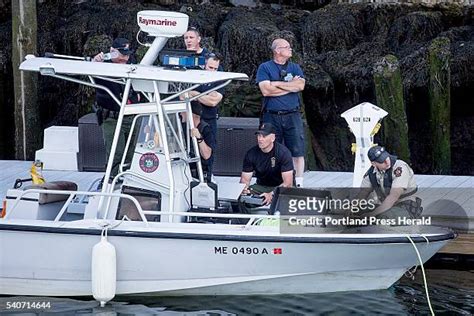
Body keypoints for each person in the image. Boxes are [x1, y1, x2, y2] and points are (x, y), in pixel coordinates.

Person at [256, 38, 306, 187]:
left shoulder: (295, 67)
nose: (290, 49)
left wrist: (276, 84)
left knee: (297, 149)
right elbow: (266, 90)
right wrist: (290, 86)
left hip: (293, 115)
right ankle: (273, 180)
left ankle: (299, 183)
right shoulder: (265, 68)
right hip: (272, 116)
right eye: (287, 47)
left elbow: (300, 86)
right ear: (277, 50)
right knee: (270, 149)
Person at [92, 37, 140, 177]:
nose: (125, 58)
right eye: (121, 54)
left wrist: (136, 98)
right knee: (116, 154)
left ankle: (129, 181)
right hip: (112, 117)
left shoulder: (131, 65)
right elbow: (92, 73)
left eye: (127, 54)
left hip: (131, 116)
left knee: (132, 153)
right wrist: (95, 63)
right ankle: (112, 179)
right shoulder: (102, 66)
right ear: (112, 51)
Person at [359, 146, 422, 219]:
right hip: (386, 205)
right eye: (381, 161)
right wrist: (352, 208)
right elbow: (362, 193)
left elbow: (393, 196)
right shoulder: (371, 173)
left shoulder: (400, 167)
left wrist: (372, 214)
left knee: (383, 217)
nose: (387, 161)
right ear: (373, 164)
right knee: (359, 211)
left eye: (386, 157)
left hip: (406, 206)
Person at [240, 123, 294, 206]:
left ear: (272, 138)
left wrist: (271, 194)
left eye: (264, 136)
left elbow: (288, 183)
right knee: (241, 200)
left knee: (287, 201)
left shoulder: (283, 153)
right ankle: (246, 218)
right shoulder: (251, 154)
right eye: (258, 136)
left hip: (281, 187)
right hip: (261, 186)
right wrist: (244, 190)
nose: (260, 139)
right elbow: (245, 181)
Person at [188, 102, 216, 182]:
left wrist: (199, 138)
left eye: (183, 112)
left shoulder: (206, 129)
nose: (181, 115)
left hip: (200, 173)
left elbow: (207, 155)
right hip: (186, 170)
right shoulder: (183, 127)